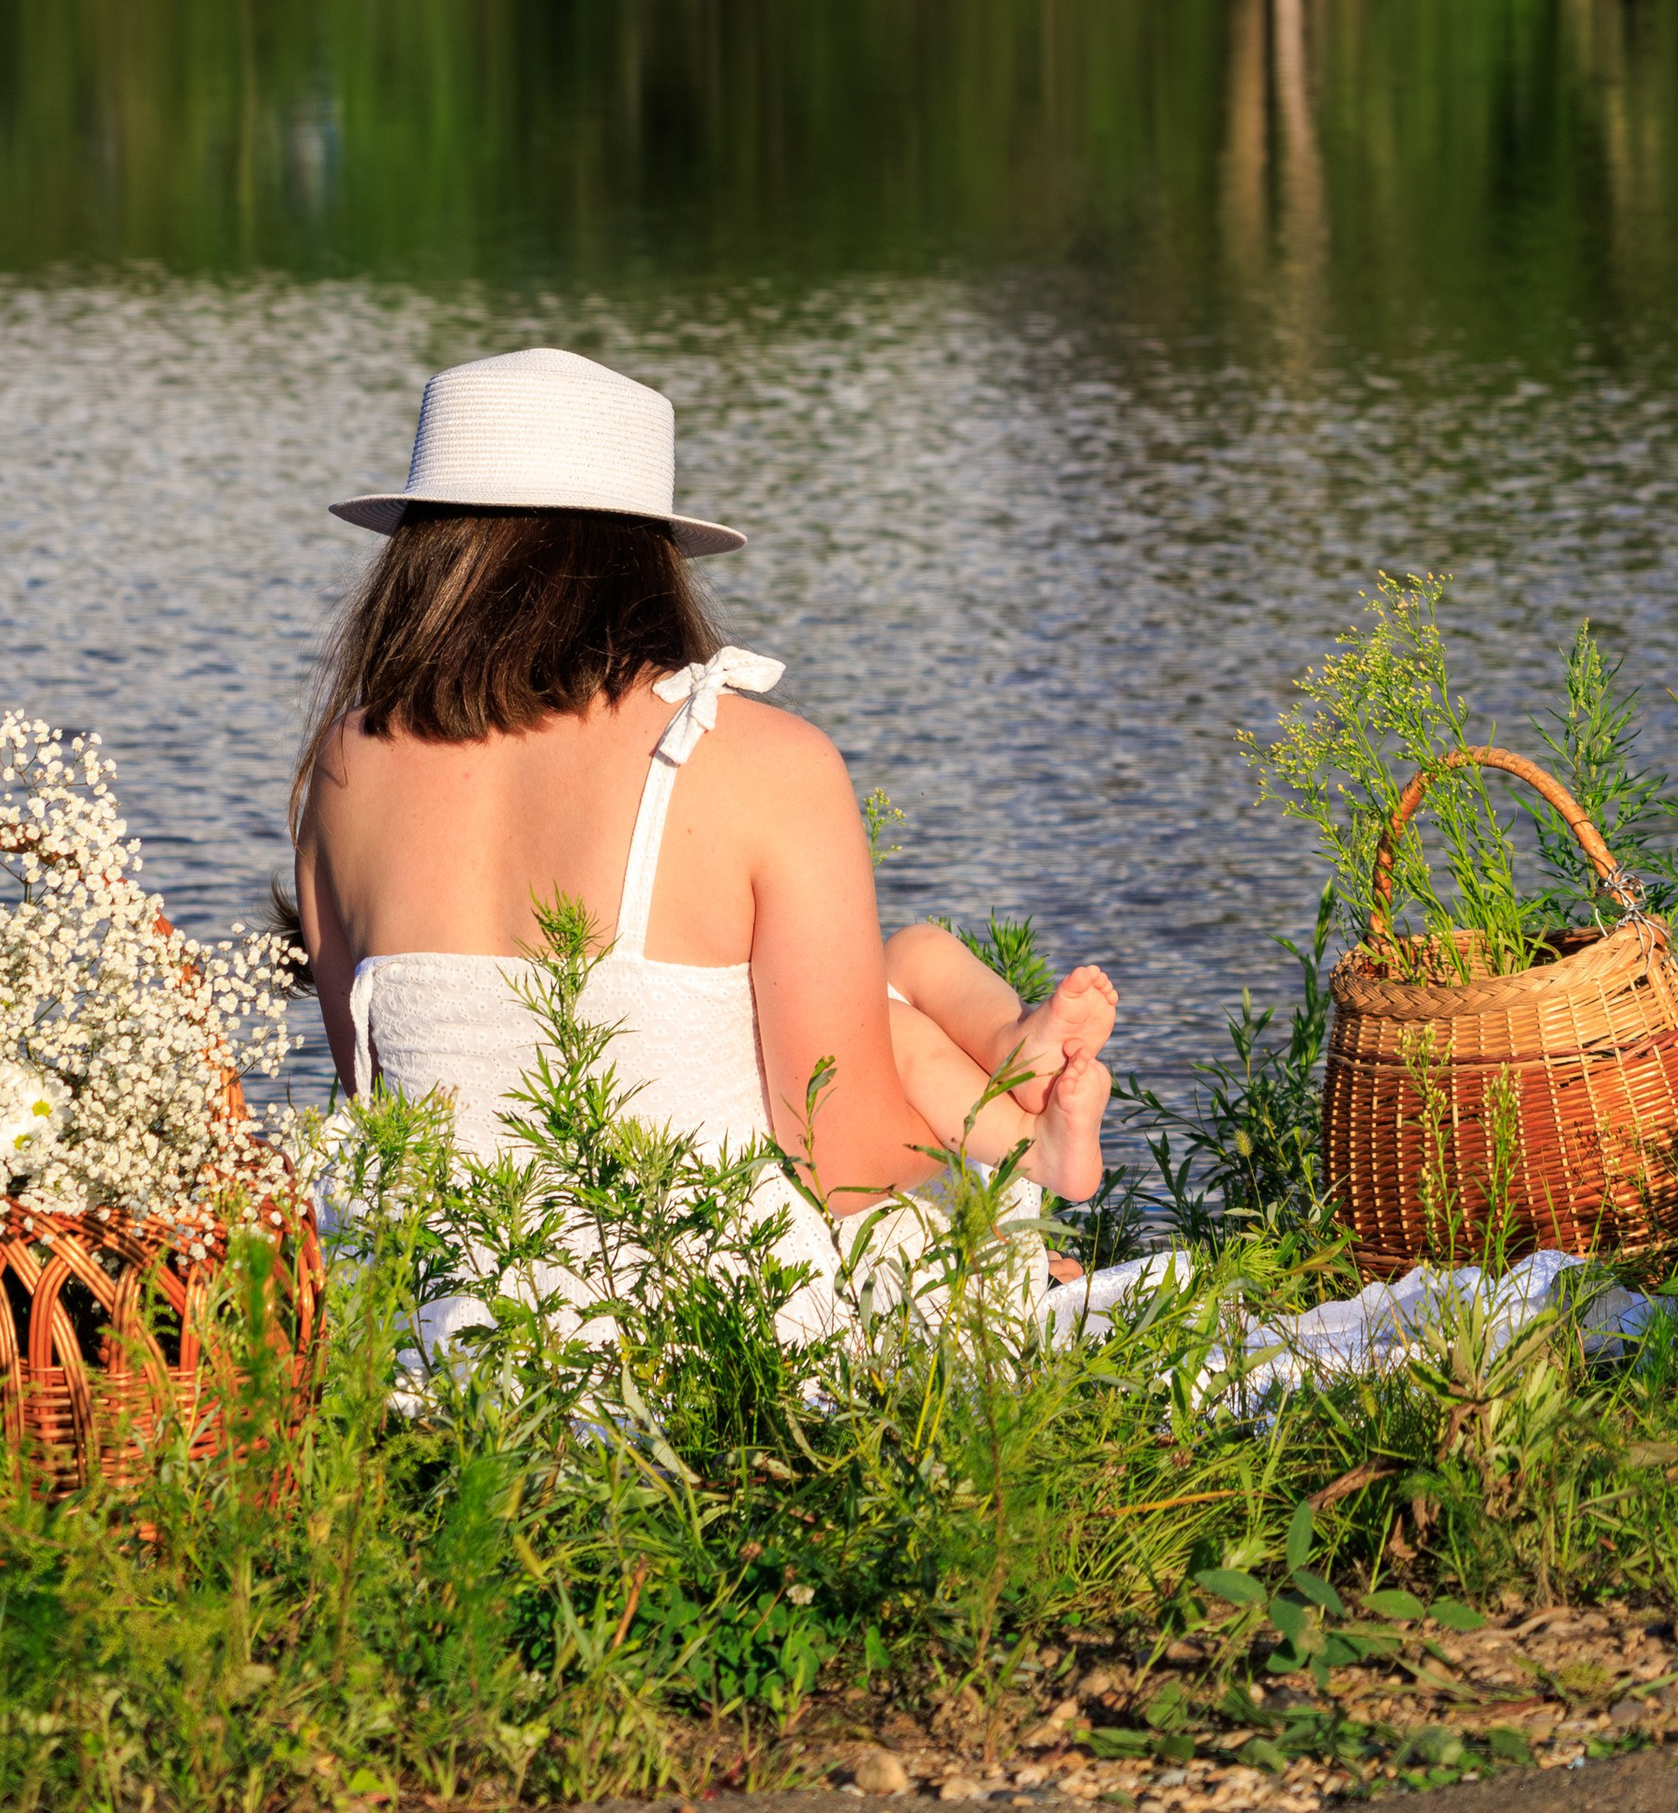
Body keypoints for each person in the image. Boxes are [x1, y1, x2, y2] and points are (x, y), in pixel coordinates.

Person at [292, 345, 1116, 1322]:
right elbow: (845, 1164)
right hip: (717, 1348)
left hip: (441, 1346)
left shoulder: (345, 769)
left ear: (422, 553)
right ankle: (1020, 1129)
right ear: (647, 558)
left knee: (894, 987)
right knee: (909, 987)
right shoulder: (759, 761)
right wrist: (985, 1172)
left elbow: (377, 1103)